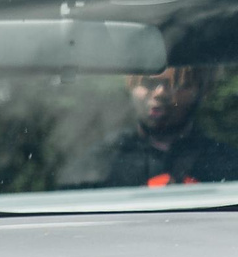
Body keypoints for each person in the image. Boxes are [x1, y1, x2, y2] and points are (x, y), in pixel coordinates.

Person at [63, 65, 238, 188]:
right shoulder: (102, 163)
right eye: (148, 83)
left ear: (203, 90)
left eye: (176, 84)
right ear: (130, 85)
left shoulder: (225, 165)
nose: (160, 93)